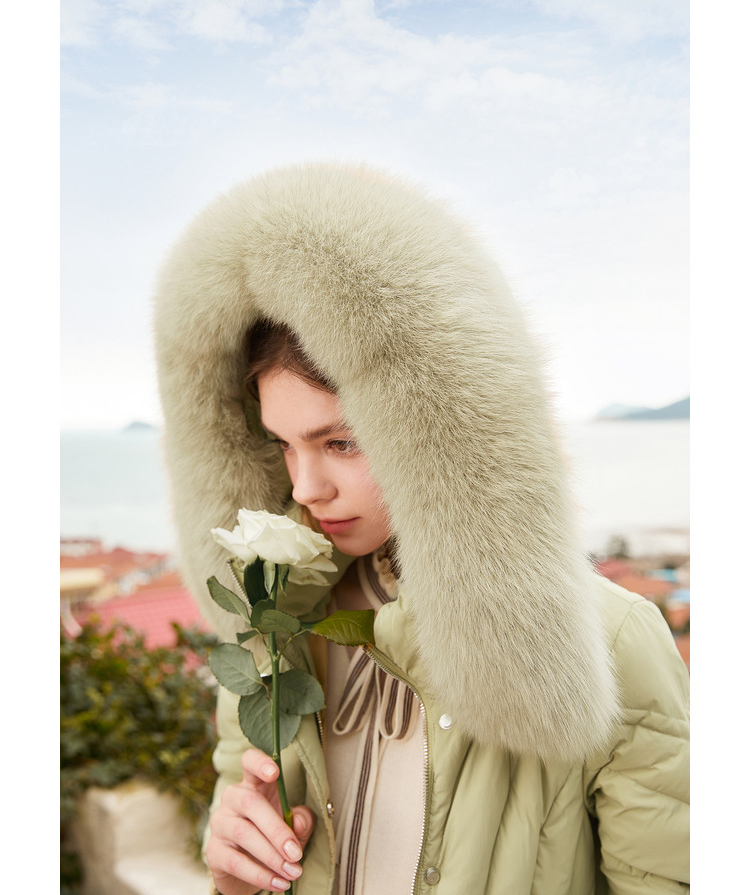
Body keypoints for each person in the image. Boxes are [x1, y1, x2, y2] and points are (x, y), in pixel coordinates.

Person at [154, 163, 689, 895]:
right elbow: (244, 825)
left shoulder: (614, 643)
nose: (306, 488)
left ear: (440, 427)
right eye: (283, 445)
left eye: (342, 442)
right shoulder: (272, 629)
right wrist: (233, 870)